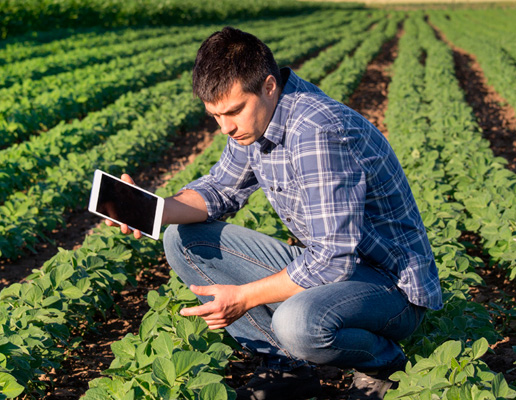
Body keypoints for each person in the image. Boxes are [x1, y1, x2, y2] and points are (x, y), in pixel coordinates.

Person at [106, 26, 442, 400]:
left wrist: (245, 297)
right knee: (184, 240)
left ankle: (382, 365)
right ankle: (287, 368)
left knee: (297, 322)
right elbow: (221, 189)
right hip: (337, 270)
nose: (225, 127)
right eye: (215, 115)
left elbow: (332, 261)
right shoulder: (255, 122)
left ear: (268, 86)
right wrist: (151, 209)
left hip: (390, 288)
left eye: (233, 111)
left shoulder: (316, 131)